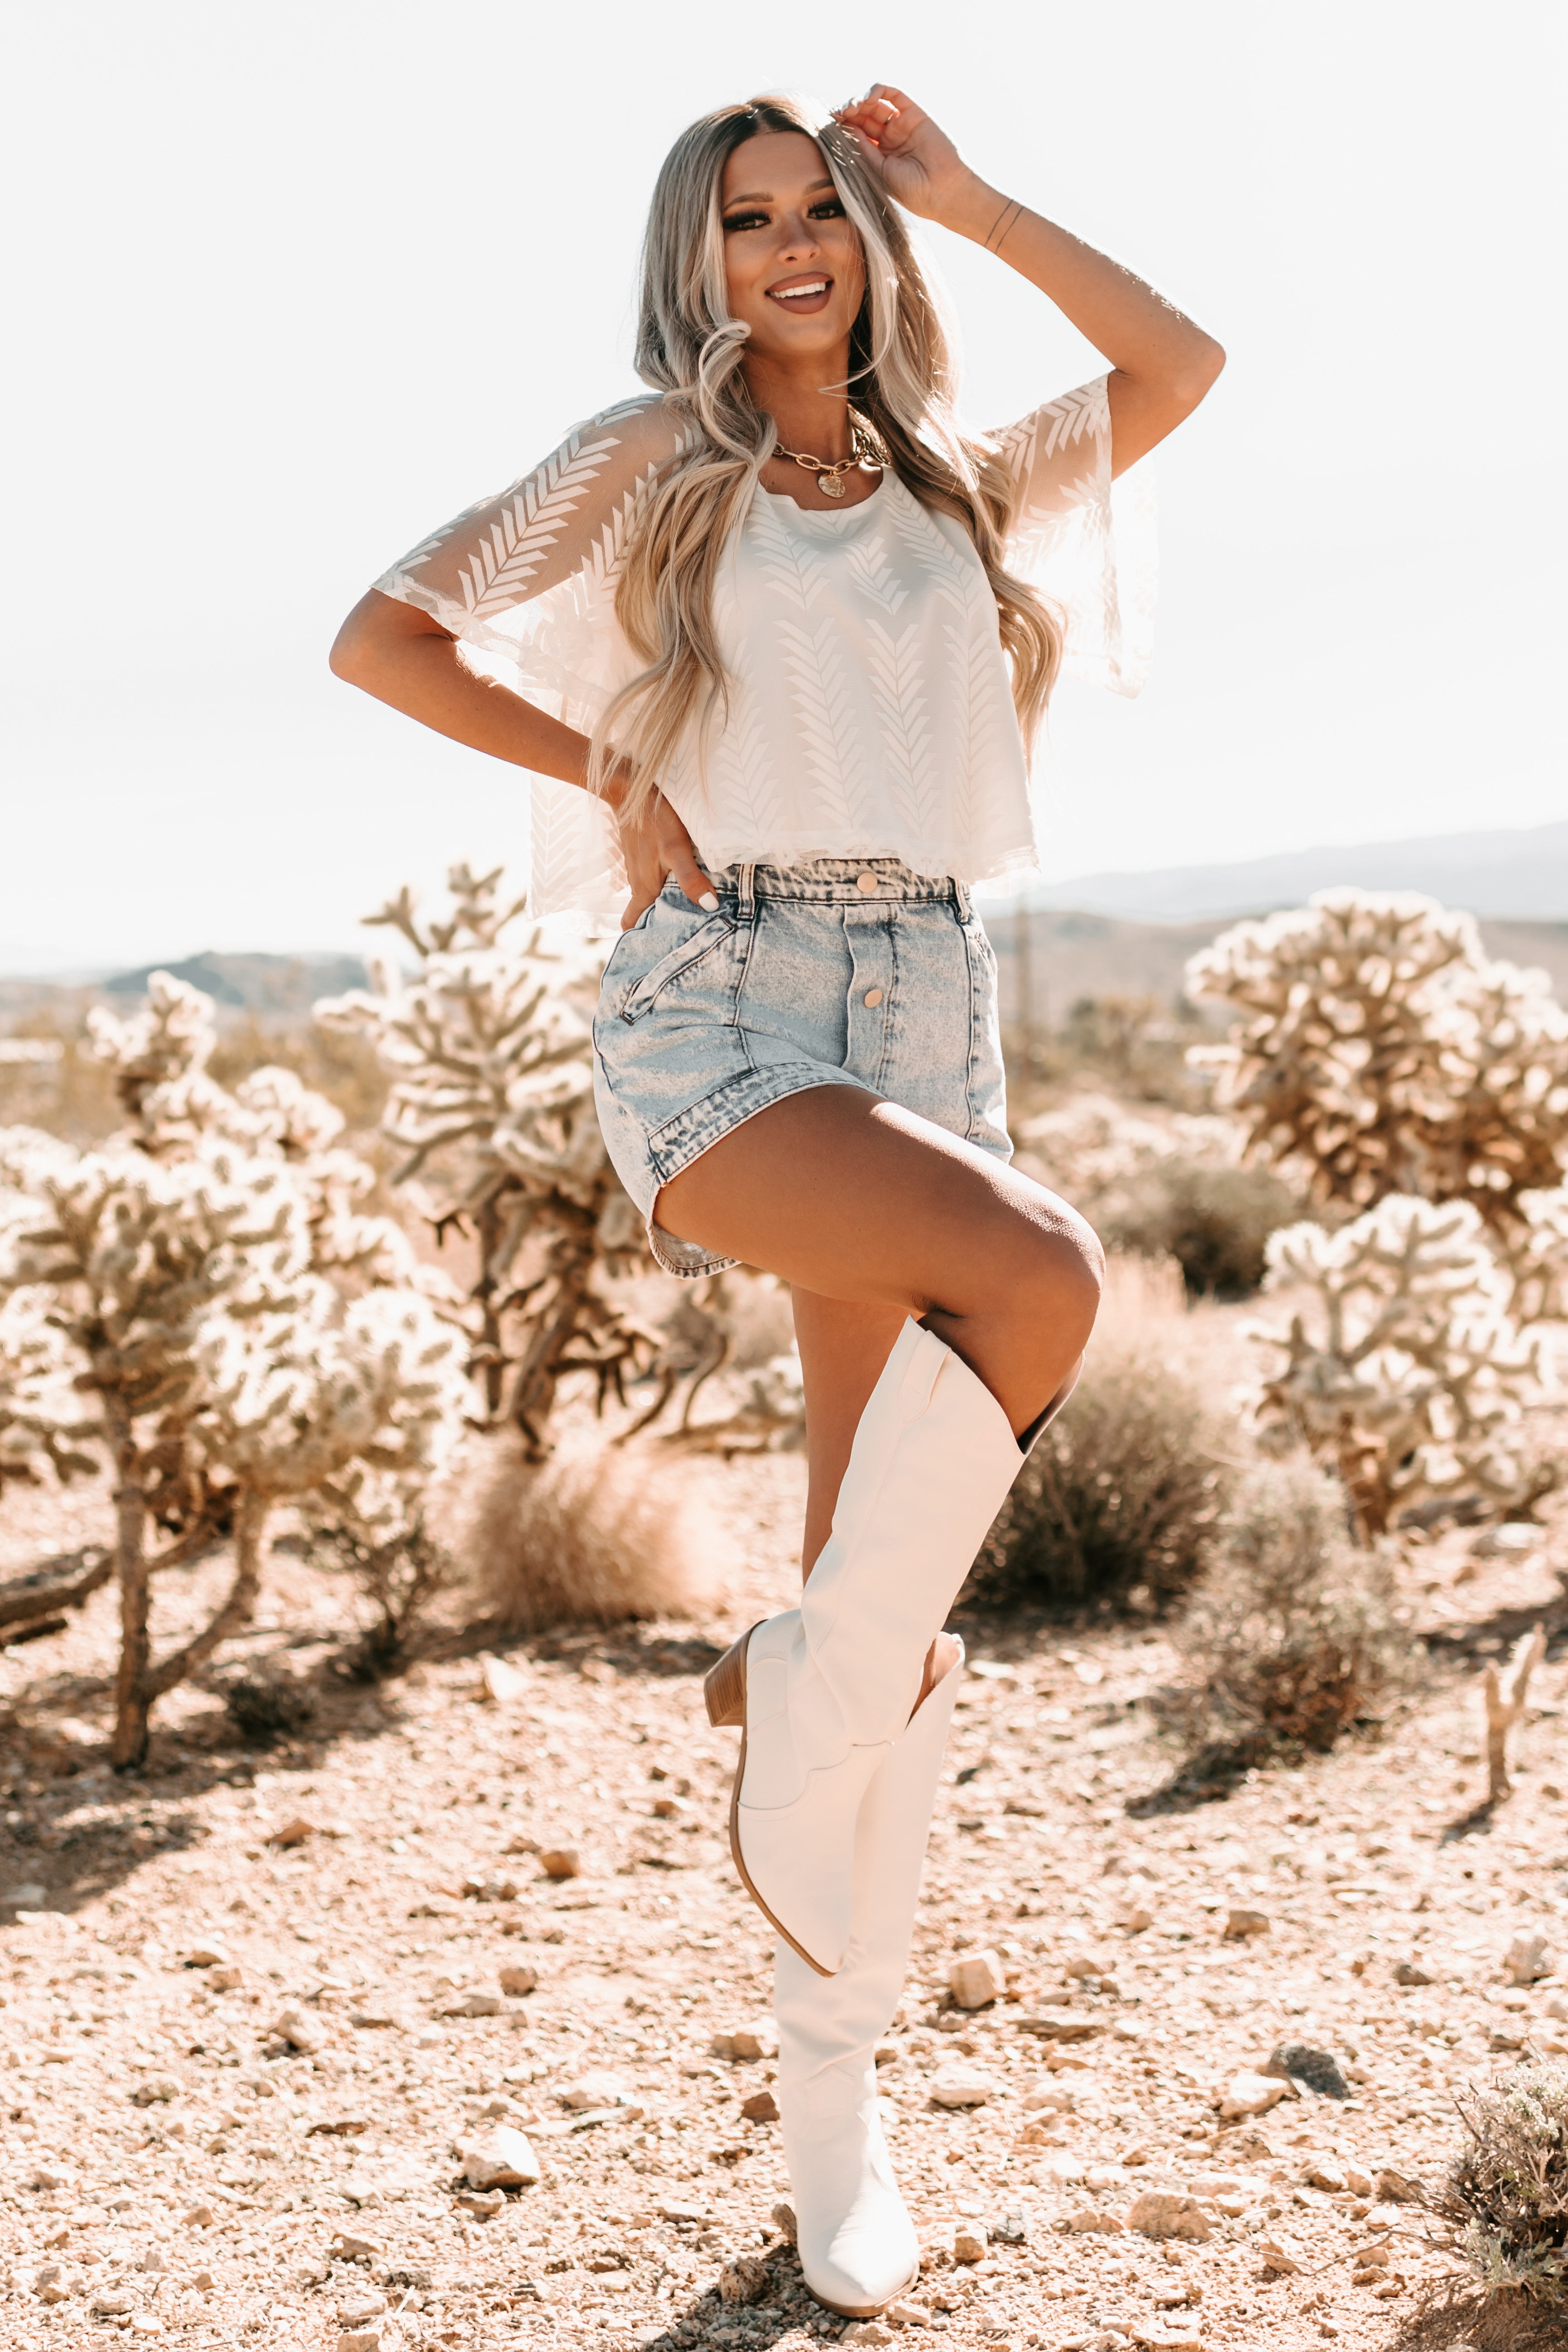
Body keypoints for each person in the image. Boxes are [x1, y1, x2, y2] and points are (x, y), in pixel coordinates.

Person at [331, 84, 1222, 2318]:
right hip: (722, 997)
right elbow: (386, 634)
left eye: (823, 209)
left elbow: (1177, 362)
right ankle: (800, 1676)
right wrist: (611, 766)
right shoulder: (651, 456)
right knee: (1044, 1277)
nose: (794, 245)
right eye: (748, 219)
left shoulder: (952, 479)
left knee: (883, 1611)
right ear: (696, 257)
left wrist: (972, 201)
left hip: (928, 991)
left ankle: (836, 2111)